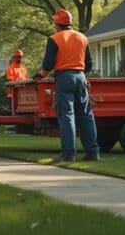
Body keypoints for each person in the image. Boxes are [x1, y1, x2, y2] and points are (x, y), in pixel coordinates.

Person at [36, 9, 100, 163]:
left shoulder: (54, 38)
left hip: (64, 78)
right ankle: (93, 152)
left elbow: (48, 65)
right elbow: (89, 64)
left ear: (57, 23)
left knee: (67, 116)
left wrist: (40, 76)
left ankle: (69, 154)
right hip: (81, 77)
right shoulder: (82, 37)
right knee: (86, 116)